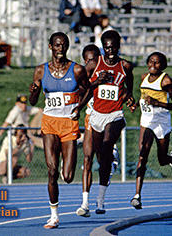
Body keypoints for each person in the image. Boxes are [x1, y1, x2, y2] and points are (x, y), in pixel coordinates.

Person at [29, 31, 91, 229]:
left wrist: (78, 108)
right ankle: (54, 215)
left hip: (68, 124)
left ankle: (68, 160)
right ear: (50, 47)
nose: (60, 49)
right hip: (49, 123)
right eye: (56, 45)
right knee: (51, 170)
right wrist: (34, 92)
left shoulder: (78, 70)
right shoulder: (40, 71)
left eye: (63, 45)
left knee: (68, 176)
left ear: (67, 47)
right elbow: (33, 100)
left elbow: (88, 90)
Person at [74, 30, 135, 213]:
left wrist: (129, 96)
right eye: (107, 48)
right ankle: (109, 163)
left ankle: (100, 200)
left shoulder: (125, 65)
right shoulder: (94, 64)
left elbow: (129, 83)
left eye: (113, 47)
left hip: (115, 114)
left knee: (107, 144)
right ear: (103, 47)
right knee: (101, 158)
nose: (110, 51)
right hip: (96, 115)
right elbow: (83, 86)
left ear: (118, 46)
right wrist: (95, 84)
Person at [76, 44, 122, 217]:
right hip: (91, 117)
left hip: (108, 117)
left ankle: (101, 198)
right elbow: (82, 91)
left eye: (94, 60)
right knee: (87, 159)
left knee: (103, 159)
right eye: (88, 60)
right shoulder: (83, 75)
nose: (91, 63)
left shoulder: (109, 72)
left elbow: (121, 91)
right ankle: (85, 203)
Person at [129, 52, 172, 210]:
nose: (153, 65)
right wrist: (135, 105)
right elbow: (142, 97)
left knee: (162, 159)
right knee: (142, 155)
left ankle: (170, 159)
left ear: (163, 65)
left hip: (162, 122)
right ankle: (137, 196)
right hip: (147, 121)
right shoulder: (143, 77)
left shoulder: (165, 80)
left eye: (157, 63)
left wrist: (157, 103)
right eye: (151, 62)